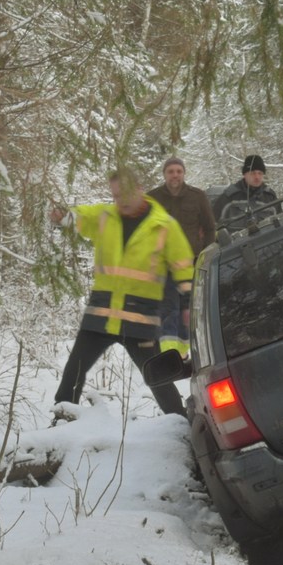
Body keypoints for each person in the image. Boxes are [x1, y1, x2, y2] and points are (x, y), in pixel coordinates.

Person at [49, 168, 195, 416]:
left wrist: (187, 306)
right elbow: (78, 217)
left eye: (125, 194)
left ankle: (179, 423)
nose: (121, 201)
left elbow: (184, 270)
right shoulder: (105, 216)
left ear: (139, 189)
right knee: (74, 370)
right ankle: (62, 420)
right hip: (101, 315)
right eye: (116, 195)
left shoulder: (164, 226)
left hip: (140, 320)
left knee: (157, 378)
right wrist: (61, 215)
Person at [147, 157, 216, 354]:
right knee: (168, 311)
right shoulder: (152, 199)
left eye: (178, 171)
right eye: (171, 171)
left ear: (184, 173)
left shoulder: (197, 196)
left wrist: (205, 257)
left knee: (192, 310)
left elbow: (210, 228)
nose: (175, 175)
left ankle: (193, 352)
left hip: (191, 264)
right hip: (164, 266)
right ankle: (171, 354)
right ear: (164, 174)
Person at [212, 154, 282, 224]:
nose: (257, 177)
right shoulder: (229, 198)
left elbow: (281, 221)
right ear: (245, 174)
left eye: (260, 173)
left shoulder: (270, 197)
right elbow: (213, 223)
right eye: (253, 173)